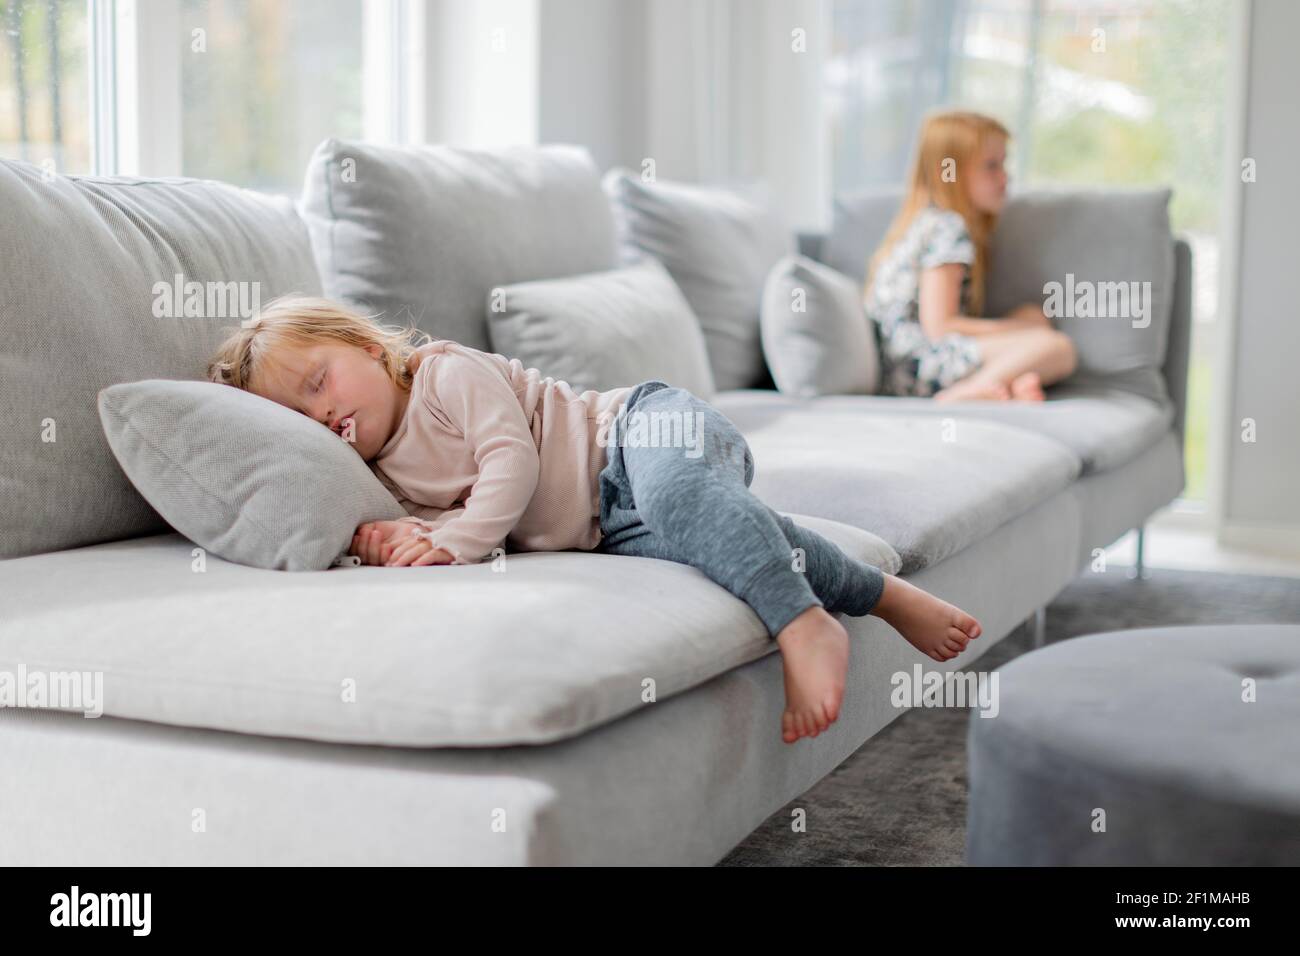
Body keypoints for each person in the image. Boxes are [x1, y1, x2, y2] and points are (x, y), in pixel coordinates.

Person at [207, 296, 983, 744]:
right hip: (607, 521)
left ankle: (804, 625)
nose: (325, 411)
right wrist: (386, 538)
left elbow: (508, 461)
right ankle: (883, 593)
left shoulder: (442, 373)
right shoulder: (378, 471)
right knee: (725, 538)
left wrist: (454, 543)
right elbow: (409, 524)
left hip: (641, 431)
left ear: (367, 348)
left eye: (319, 380)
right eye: (303, 415)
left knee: (684, 501)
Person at [864, 109, 1078, 402]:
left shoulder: (925, 221)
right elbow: (939, 327)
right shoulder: (948, 227)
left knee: (1033, 316)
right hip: (913, 368)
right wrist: (1015, 331)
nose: (1005, 177)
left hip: (900, 363)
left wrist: (1021, 326)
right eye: (991, 166)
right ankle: (963, 392)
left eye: (1004, 164)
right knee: (1057, 347)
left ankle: (1005, 389)